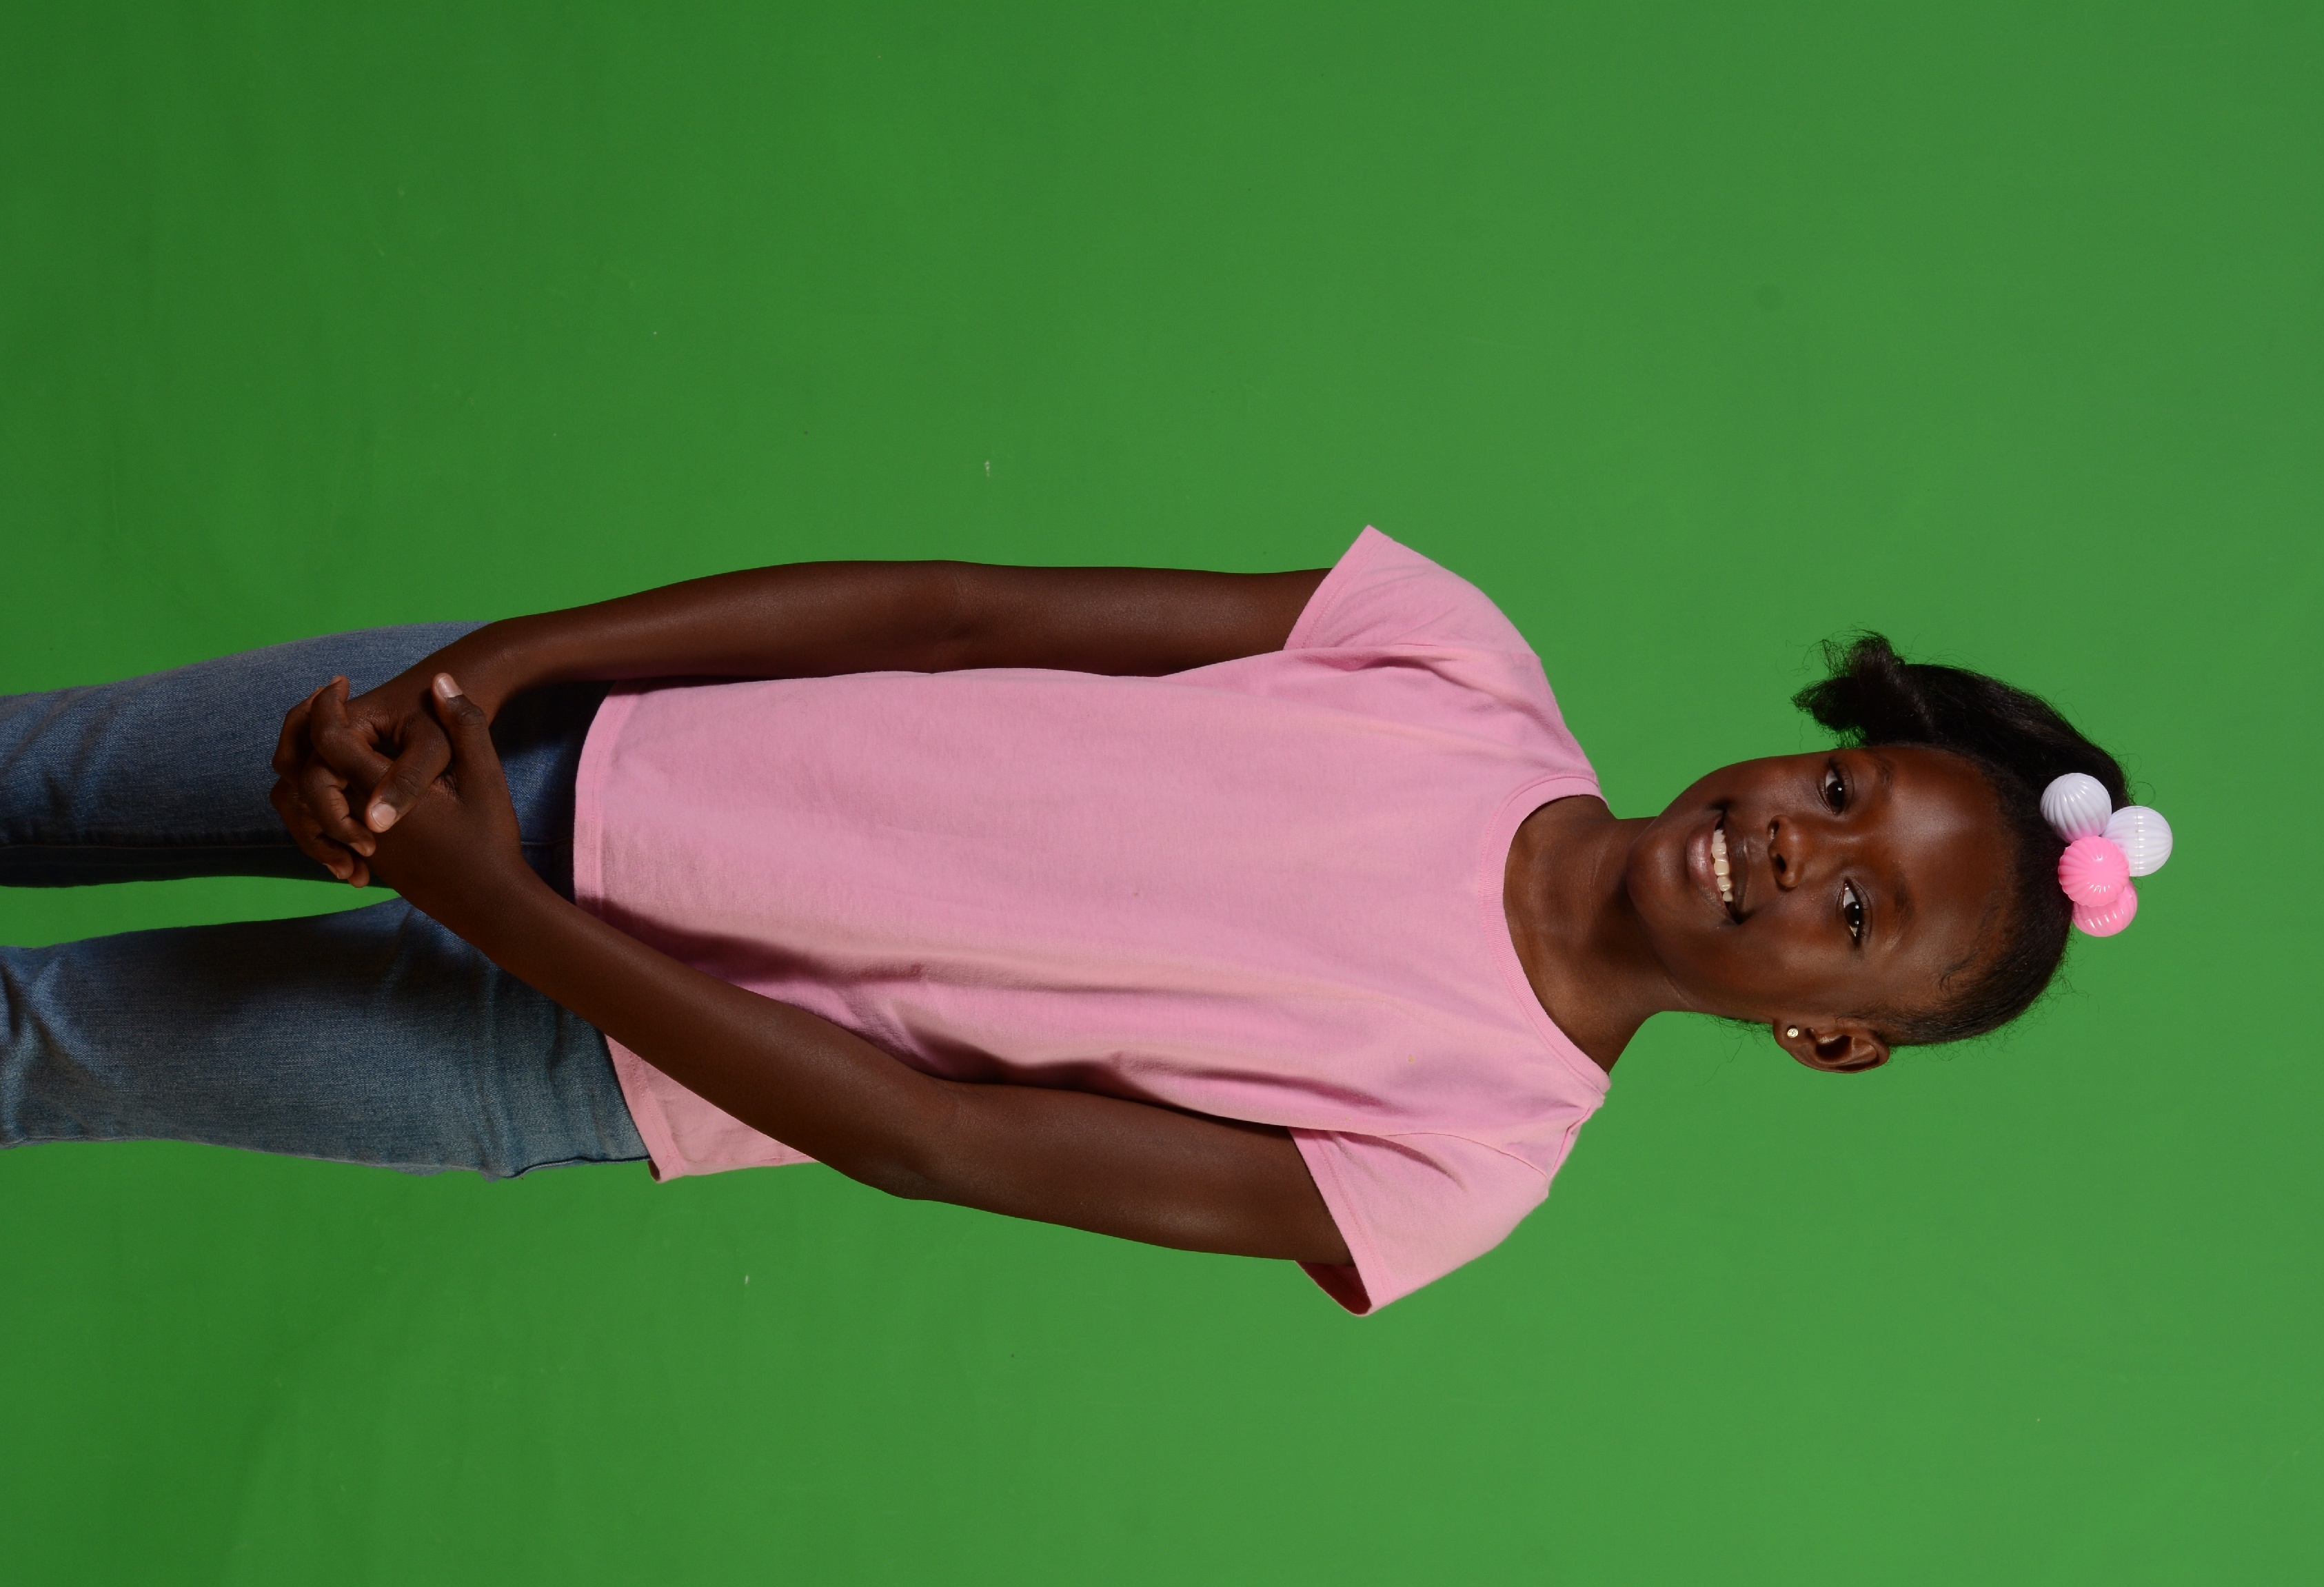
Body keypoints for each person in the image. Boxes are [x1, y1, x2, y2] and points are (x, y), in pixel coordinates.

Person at [0, 529, 2161, 1311]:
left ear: (1828, 1035)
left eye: (1855, 912)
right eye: (1841, 795)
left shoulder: (1463, 1159)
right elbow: (951, 608)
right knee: (49, 775)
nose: (1791, 849)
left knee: (39, 1048)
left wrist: (487, 907)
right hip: (559, 742)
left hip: (571, 1049)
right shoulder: (1444, 654)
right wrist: (497, 672)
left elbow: (934, 1139)